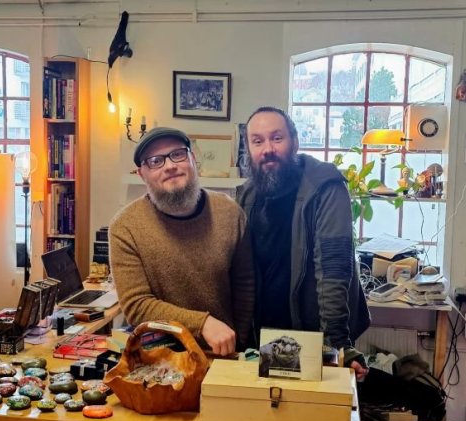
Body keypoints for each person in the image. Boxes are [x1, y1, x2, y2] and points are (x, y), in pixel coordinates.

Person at [235, 106, 371, 379]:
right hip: (265, 336)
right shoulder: (248, 195)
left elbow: (333, 268)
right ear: (248, 149)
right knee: (270, 400)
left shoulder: (325, 185)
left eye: (277, 138)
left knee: (311, 402)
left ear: (295, 142)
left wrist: (337, 344)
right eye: (257, 141)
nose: (268, 149)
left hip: (314, 336)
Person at [109, 127, 254, 356]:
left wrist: (238, 340)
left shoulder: (230, 213)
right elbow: (137, 305)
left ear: (193, 160)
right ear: (142, 174)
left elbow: (245, 285)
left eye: (178, 154)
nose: (169, 166)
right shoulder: (125, 227)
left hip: (221, 353)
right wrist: (202, 324)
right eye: (155, 161)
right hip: (160, 359)